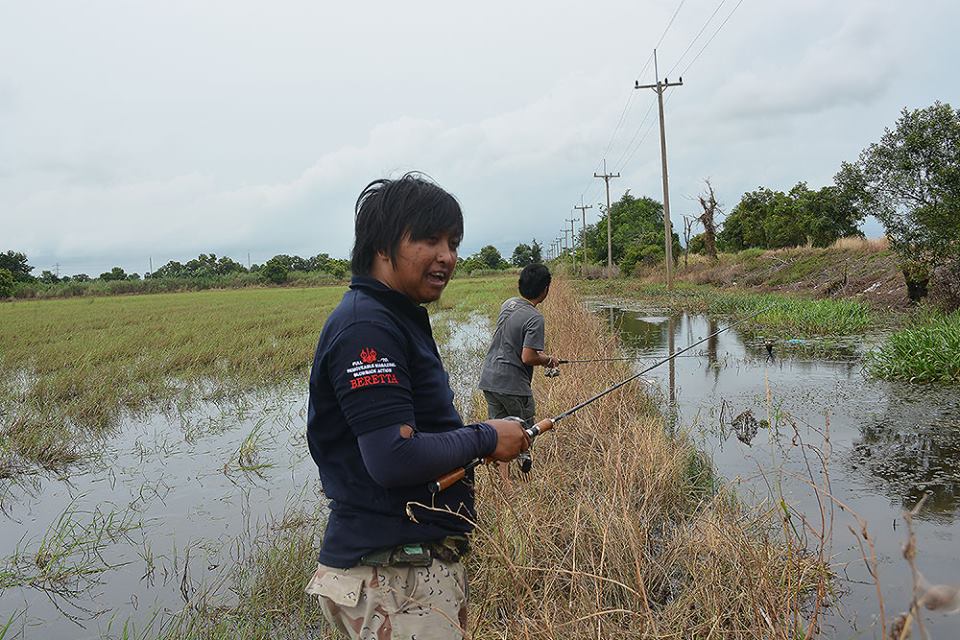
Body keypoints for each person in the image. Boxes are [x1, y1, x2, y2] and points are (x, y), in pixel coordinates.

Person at [304, 173, 530, 639]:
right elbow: (392, 457)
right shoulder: (367, 328)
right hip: (393, 578)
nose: (447, 255)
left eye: (453, 242)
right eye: (430, 239)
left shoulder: (390, 318)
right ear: (382, 246)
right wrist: (487, 436)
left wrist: (476, 442)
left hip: (405, 572)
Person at [478, 263, 559, 483]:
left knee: (498, 434)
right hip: (513, 385)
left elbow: (513, 340)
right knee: (523, 434)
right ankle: (522, 475)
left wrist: (539, 354)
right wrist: (548, 360)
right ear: (545, 289)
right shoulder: (535, 317)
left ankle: (503, 483)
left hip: (489, 380)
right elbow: (528, 357)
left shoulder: (509, 304)